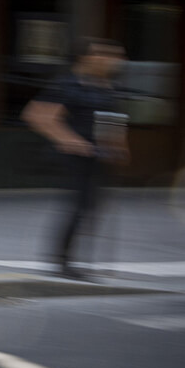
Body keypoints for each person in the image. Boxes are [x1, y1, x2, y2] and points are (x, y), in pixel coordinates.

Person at [22, 37, 129, 281]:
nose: (114, 61)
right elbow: (37, 115)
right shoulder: (68, 84)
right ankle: (63, 261)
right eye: (107, 55)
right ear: (88, 58)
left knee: (91, 207)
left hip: (99, 156)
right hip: (74, 158)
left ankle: (72, 259)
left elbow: (112, 121)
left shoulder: (106, 86)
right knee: (79, 207)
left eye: (116, 56)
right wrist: (69, 139)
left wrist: (119, 146)